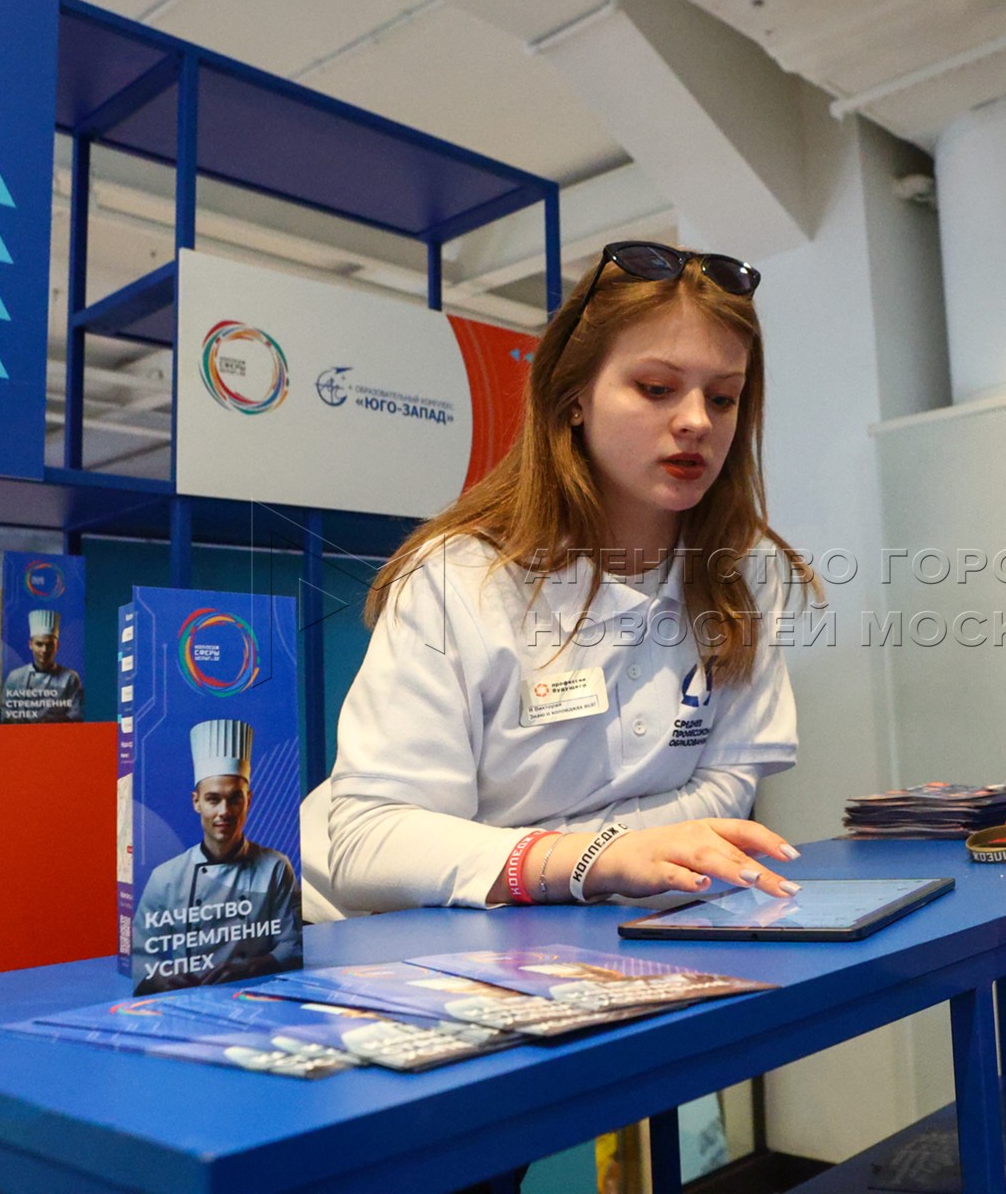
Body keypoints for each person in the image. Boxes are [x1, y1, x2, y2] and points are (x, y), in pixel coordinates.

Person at [301, 241, 814, 919]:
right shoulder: (460, 578)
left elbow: (726, 788)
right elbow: (372, 846)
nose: (696, 421)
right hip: (385, 940)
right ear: (573, 398)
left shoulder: (743, 575)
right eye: (656, 388)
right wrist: (587, 860)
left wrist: (597, 862)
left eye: (723, 398)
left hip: (591, 926)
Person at [132, 718, 303, 995]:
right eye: (213, 799)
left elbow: (292, 944)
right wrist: (161, 978)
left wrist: (252, 966)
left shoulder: (274, 867)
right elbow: (139, 954)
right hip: (186, 998)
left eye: (235, 798)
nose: (224, 811)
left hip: (257, 995)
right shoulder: (166, 877)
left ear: (249, 800)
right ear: (196, 802)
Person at [1, 609, 85, 722]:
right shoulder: (15, 677)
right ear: (30, 645)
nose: (44, 650)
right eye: (39, 644)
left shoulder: (70, 678)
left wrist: (53, 721)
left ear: (57, 646)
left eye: (49, 644)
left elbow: (77, 715)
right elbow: (5, 714)